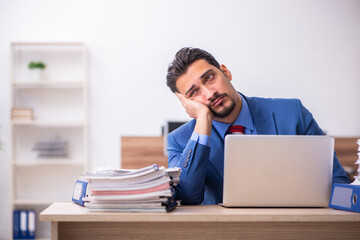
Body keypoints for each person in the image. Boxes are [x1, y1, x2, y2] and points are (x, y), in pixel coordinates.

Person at [165, 47, 351, 205]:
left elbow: (337, 182)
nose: (209, 93)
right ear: (186, 104)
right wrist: (203, 118)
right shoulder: (179, 141)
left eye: (209, 77)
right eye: (194, 92)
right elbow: (187, 197)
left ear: (226, 72)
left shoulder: (293, 113)